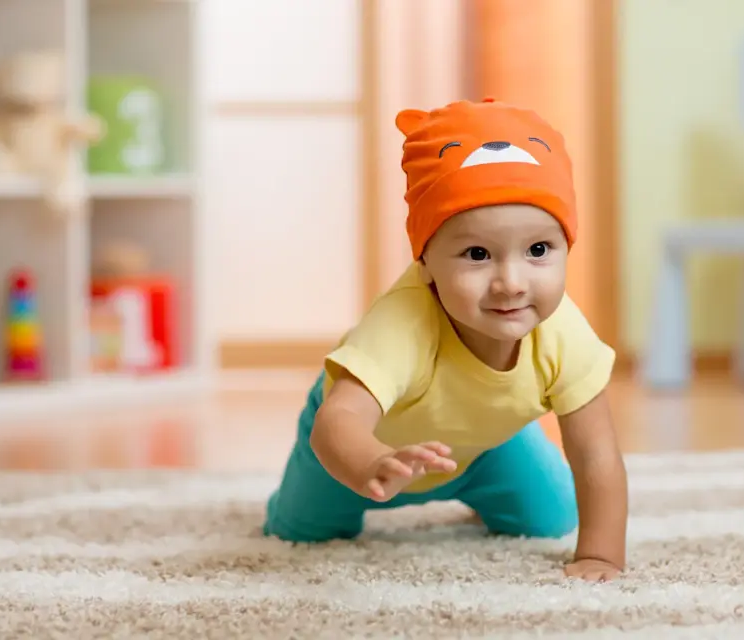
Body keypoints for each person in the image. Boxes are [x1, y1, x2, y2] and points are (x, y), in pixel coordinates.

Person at [263, 98, 629, 582]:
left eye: (539, 250)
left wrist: (600, 556)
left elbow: (596, 452)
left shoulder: (562, 331)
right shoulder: (403, 323)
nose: (511, 282)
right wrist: (372, 462)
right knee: (301, 533)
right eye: (477, 254)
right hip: (361, 448)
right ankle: (332, 489)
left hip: (485, 444)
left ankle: (488, 473)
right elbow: (342, 418)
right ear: (426, 263)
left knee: (554, 517)